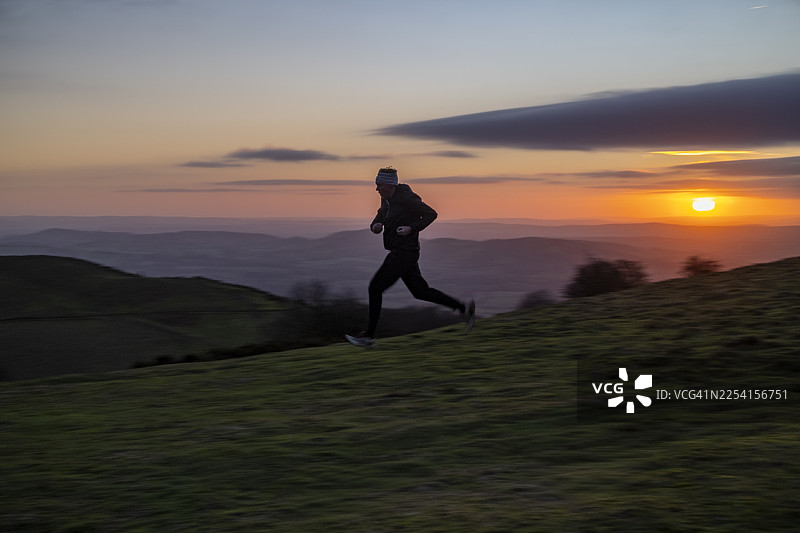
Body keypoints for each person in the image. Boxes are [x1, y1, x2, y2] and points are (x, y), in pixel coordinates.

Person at [346, 167, 475, 348]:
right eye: (376, 185)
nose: (376, 189)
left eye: (379, 185)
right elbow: (382, 213)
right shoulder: (386, 198)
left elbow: (431, 214)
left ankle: (369, 336)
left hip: (404, 252)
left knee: (375, 288)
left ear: (390, 185)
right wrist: (376, 224)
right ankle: (464, 309)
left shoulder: (407, 198)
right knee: (420, 291)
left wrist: (411, 228)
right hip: (404, 252)